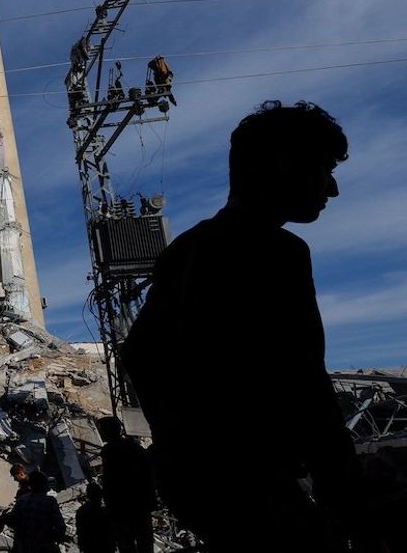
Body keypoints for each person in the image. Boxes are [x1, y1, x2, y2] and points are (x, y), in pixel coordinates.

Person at [122, 101, 380, 552]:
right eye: (323, 168)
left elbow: (139, 354)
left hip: (203, 488)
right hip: (254, 485)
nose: (332, 188)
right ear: (284, 163)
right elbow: (307, 386)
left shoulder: (185, 250)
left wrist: (179, 445)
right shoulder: (278, 252)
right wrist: (352, 509)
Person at [94, 417, 153, 553]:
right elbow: (148, 474)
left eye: (101, 430)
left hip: (121, 508)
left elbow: (111, 482)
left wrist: (109, 505)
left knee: (127, 544)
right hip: (141, 505)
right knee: (145, 543)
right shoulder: (135, 447)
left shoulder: (110, 451)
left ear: (107, 431)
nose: (100, 433)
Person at [3, 471, 64, 553]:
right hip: (42, 547)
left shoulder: (22, 500)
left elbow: (12, 521)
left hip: (23, 546)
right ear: (44, 484)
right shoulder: (50, 501)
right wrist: (52, 538)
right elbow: (60, 526)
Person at [75, 482, 117, 553]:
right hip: (106, 546)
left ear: (87, 495)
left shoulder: (81, 511)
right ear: (100, 495)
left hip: (90, 547)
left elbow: (80, 532)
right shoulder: (104, 511)